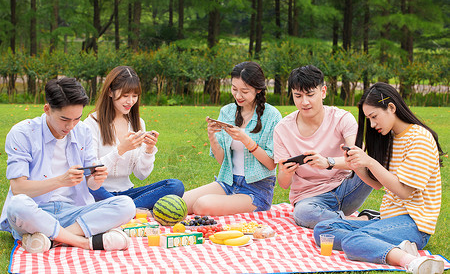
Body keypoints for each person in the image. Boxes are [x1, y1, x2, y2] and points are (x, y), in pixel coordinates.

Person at [313, 82, 445, 274]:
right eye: (368, 119)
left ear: (391, 107)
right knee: (324, 229)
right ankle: (392, 245)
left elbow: (404, 191)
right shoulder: (391, 138)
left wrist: (370, 162)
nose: (372, 124)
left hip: (414, 224)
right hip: (388, 219)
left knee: (352, 241)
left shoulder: (420, 139)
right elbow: (378, 184)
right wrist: (356, 167)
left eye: (374, 117)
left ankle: (411, 262)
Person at [0, 77, 135, 254]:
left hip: (74, 212)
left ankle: (50, 239)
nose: (70, 126)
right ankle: (84, 243)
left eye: (77, 118)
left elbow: (91, 185)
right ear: (47, 109)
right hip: (36, 212)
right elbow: (18, 189)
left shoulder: (83, 131)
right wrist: (61, 181)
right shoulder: (22, 133)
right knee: (17, 205)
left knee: (126, 205)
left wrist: (96, 179)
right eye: (64, 119)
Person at [273, 65, 373, 228]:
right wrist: (285, 172)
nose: (304, 102)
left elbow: (359, 159)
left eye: (310, 94)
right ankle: (364, 221)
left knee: (375, 164)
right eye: (298, 96)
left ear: (323, 92)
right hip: (309, 198)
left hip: (346, 188)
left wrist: (328, 162)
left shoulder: (342, 119)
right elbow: (284, 184)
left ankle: (338, 220)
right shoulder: (282, 129)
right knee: (303, 213)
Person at [182, 61, 282, 216]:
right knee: (179, 202)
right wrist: (212, 138)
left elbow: (270, 164)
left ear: (258, 89)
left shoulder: (272, 116)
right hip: (228, 182)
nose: (238, 95)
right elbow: (223, 162)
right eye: (234, 89)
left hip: (256, 191)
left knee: (202, 205)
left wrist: (246, 140)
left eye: (244, 91)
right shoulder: (227, 112)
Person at [84, 66, 184, 211]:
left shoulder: (137, 123)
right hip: (99, 192)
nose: (130, 101)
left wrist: (148, 151)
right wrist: (120, 150)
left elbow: (141, 174)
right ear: (110, 92)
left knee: (175, 186)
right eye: (125, 96)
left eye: (135, 96)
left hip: (128, 194)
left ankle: (124, 209)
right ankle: (128, 210)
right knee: (88, 186)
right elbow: (90, 172)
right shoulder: (91, 123)